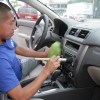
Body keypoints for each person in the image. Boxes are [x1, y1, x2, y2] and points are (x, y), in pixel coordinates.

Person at [0, 2, 60, 100]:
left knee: (38, 57)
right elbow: (20, 97)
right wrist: (46, 71)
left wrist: (44, 54)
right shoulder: (1, 61)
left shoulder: (4, 38)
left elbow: (17, 48)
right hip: (12, 92)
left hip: (19, 67)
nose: (15, 27)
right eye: (11, 22)